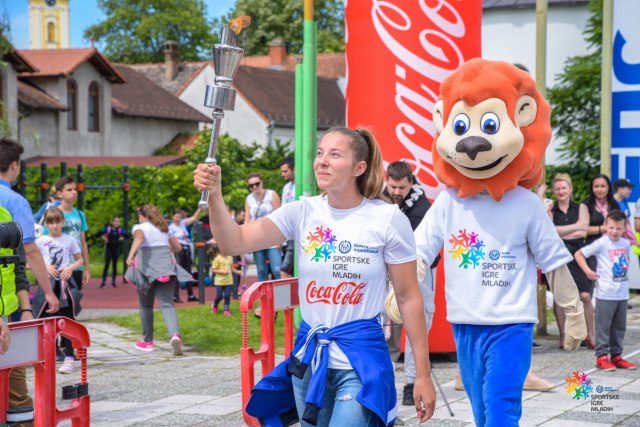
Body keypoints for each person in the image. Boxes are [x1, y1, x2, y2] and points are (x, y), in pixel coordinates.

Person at [194, 125, 436, 426]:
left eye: (334, 155)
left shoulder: (387, 219)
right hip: (309, 361)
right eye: (320, 153)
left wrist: (423, 375)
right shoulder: (301, 212)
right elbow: (234, 242)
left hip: (360, 362)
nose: (322, 161)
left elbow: (409, 297)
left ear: (359, 168)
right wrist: (214, 196)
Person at [0, 138, 59, 422]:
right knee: (14, 380)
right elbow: (29, 252)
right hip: (8, 307)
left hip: (9, 302)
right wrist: (47, 292)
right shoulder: (14, 202)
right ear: (14, 165)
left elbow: (16, 259)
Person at [382, 160, 436, 406]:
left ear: (411, 184)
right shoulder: (377, 200)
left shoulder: (423, 208)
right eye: (392, 187)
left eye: (401, 188)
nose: (396, 192)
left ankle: (412, 383)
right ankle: (381, 381)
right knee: (384, 327)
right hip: (384, 271)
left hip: (419, 272)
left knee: (418, 326)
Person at [575, 210, 637, 371]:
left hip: (622, 293)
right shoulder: (602, 242)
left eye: (618, 228)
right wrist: (588, 271)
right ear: (605, 226)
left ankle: (617, 356)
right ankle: (601, 356)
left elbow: (625, 261)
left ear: (624, 228)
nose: (614, 231)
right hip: (605, 293)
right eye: (611, 228)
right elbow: (579, 254)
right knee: (603, 326)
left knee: (619, 327)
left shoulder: (625, 243)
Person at [125, 204, 189, 357]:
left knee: (145, 305)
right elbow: (178, 247)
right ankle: (175, 335)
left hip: (147, 270)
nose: (138, 218)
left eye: (139, 215)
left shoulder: (139, 227)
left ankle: (147, 342)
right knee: (167, 304)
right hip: (166, 268)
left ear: (143, 215)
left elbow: (139, 238)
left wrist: (131, 255)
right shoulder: (165, 228)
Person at [34, 207, 84, 374]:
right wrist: (45, 266)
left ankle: (69, 357)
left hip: (64, 285)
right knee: (45, 319)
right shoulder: (40, 241)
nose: (54, 226)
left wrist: (70, 268)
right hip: (47, 285)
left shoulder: (69, 240)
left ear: (63, 222)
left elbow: (80, 259)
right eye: (51, 222)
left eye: (57, 222)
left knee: (67, 319)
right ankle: (48, 354)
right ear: (46, 224)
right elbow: (29, 261)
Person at [549, 173, 591, 349]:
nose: (561, 191)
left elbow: (584, 230)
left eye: (564, 188)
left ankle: (588, 335)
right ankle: (563, 335)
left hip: (578, 255)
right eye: (557, 188)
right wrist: (575, 227)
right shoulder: (551, 209)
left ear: (570, 189)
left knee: (585, 295)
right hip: (559, 255)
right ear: (554, 191)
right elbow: (550, 231)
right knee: (560, 297)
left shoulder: (581, 207)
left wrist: (560, 231)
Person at [583, 174, 621, 349]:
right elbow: (583, 229)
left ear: (608, 187)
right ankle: (590, 333)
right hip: (593, 251)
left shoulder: (614, 205)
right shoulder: (587, 206)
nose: (599, 189)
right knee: (590, 293)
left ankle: (609, 332)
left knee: (610, 291)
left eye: (602, 186)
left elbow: (622, 226)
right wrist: (603, 228)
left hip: (612, 252)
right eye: (596, 186)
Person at [53, 176, 91, 289]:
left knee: (75, 298)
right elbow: (46, 241)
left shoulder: (80, 214)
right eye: (69, 190)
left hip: (76, 266)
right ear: (59, 194)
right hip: (58, 267)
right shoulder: (53, 214)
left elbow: (83, 242)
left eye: (75, 189)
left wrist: (87, 268)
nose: (74, 192)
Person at [245, 173, 282, 282]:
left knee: (277, 270)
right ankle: (264, 294)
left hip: (272, 237)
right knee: (261, 270)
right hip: (257, 238)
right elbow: (247, 219)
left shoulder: (271, 194)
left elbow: (280, 216)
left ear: (261, 183)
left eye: (257, 184)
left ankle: (282, 293)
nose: (254, 187)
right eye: (251, 185)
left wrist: (280, 238)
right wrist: (246, 239)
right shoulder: (249, 198)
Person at [168, 207, 202, 302]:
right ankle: (175, 295)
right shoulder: (171, 228)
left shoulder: (182, 223)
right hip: (177, 250)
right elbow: (169, 242)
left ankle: (190, 295)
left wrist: (200, 208)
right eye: (176, 217)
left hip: (186, 249)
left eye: (179, 217)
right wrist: (172, 255)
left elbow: (194, 218)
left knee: (188, 272)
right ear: (173, 217)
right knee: (177, 272)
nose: (178, 219)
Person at [209, 244, 241, 316]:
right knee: (219, 296)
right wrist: (222, 272)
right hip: (219, 282)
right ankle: (215, 305)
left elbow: (231, 267)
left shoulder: (230, 258)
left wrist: (236, 271)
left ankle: (226, 309)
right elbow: (214, 269)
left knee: (227, 296)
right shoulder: (217, 259)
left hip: (229, 281)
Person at [279, 157, 296, 278]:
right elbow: (283, 210)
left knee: (284, 271)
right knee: (290, 272)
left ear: (294, 169)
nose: (282, 174)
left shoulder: (305, 185)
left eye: (285, 171)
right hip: (289, 234)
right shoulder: (286, 188)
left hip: (297, 234)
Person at [100, 216, 126, 288]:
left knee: (114, 266)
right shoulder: (108, 229)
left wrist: (120, 239)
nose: (117, 223)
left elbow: (126, 236)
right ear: (112, 222)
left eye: (118, 221)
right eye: (115, 221)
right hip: (109, 249)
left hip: (116, 250)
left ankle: (113, 282)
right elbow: (100, 234)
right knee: (107, 265)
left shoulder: (120, 230)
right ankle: (103, 282)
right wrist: (105, 239)